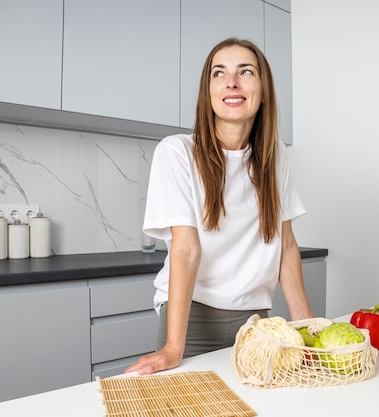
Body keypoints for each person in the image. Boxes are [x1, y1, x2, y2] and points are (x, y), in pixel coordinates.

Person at [125, 38, 314, 376]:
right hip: (191, 323)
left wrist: (310, 331)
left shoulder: (274, 157)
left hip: (256, 323)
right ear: (208, 91)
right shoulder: (177, 152)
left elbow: (285, 247)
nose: (232, 82)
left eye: (246, 71)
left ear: (263, 90)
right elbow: (185, 250)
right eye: (219, 73)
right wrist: (172, 348)